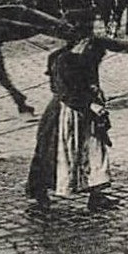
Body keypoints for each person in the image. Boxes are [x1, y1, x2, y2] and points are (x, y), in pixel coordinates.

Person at [26, 26, 115, 213]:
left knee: (95, 151)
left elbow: (92, 81)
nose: (88, 46)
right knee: (55, 154)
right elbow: (65, 92)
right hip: (65, 113)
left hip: (86, 112)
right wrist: (89, 104)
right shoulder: (62, 61)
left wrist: (96, 94)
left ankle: (96, 195)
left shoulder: (89, 57)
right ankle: (40, 193)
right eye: (85, 42)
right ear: (78, 41)